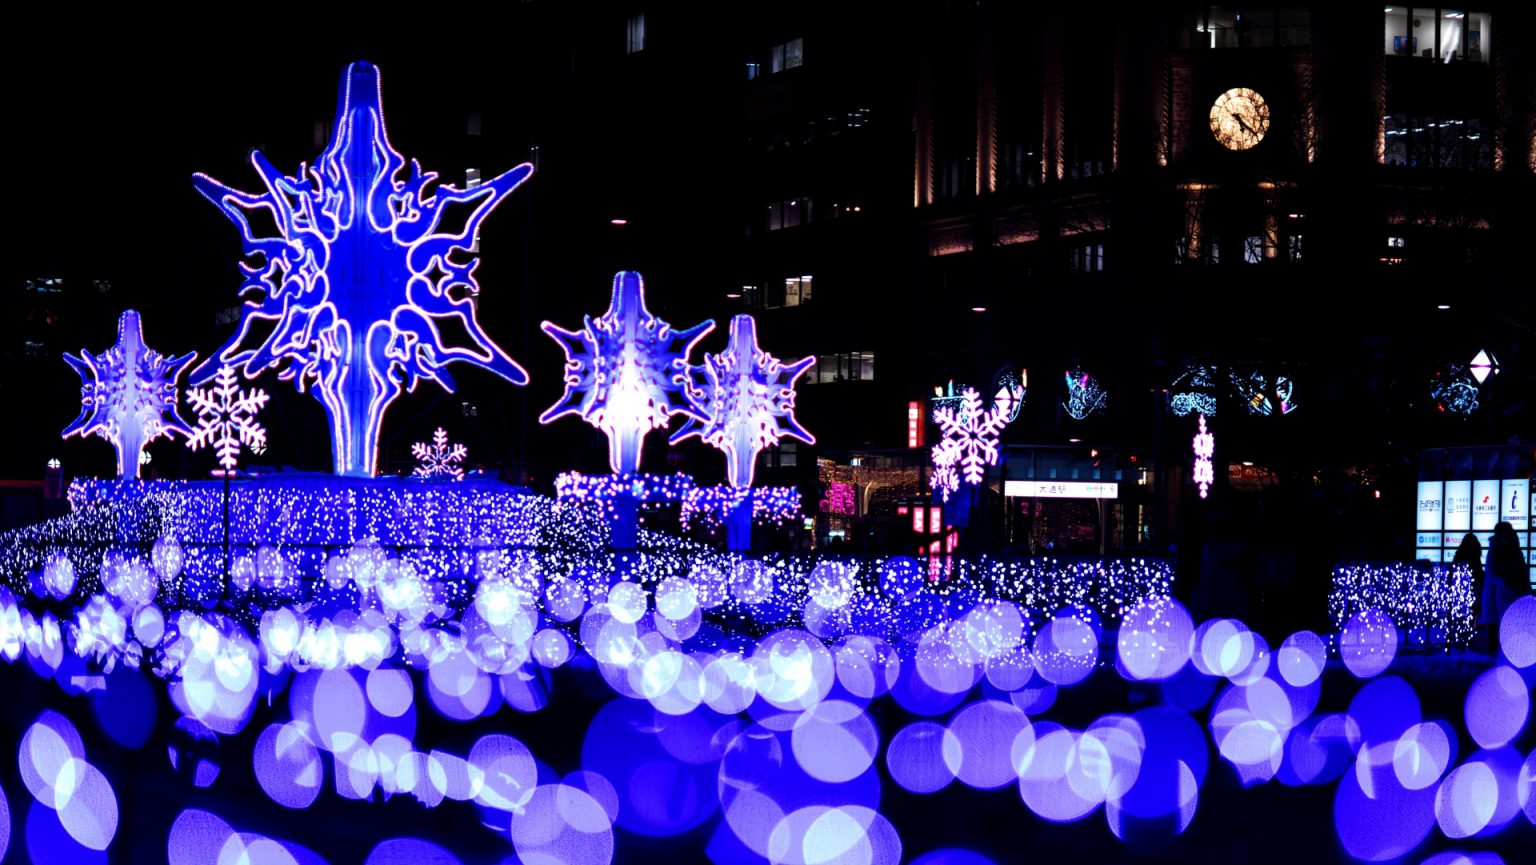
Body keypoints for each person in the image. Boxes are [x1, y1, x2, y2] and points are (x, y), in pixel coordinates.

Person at [1482, 521, 1527, 656]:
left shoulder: (1499, 551)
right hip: (1503, 598)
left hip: (1505, 598)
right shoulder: (1506, 551)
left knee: (1504, 637)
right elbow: (1494, 576)